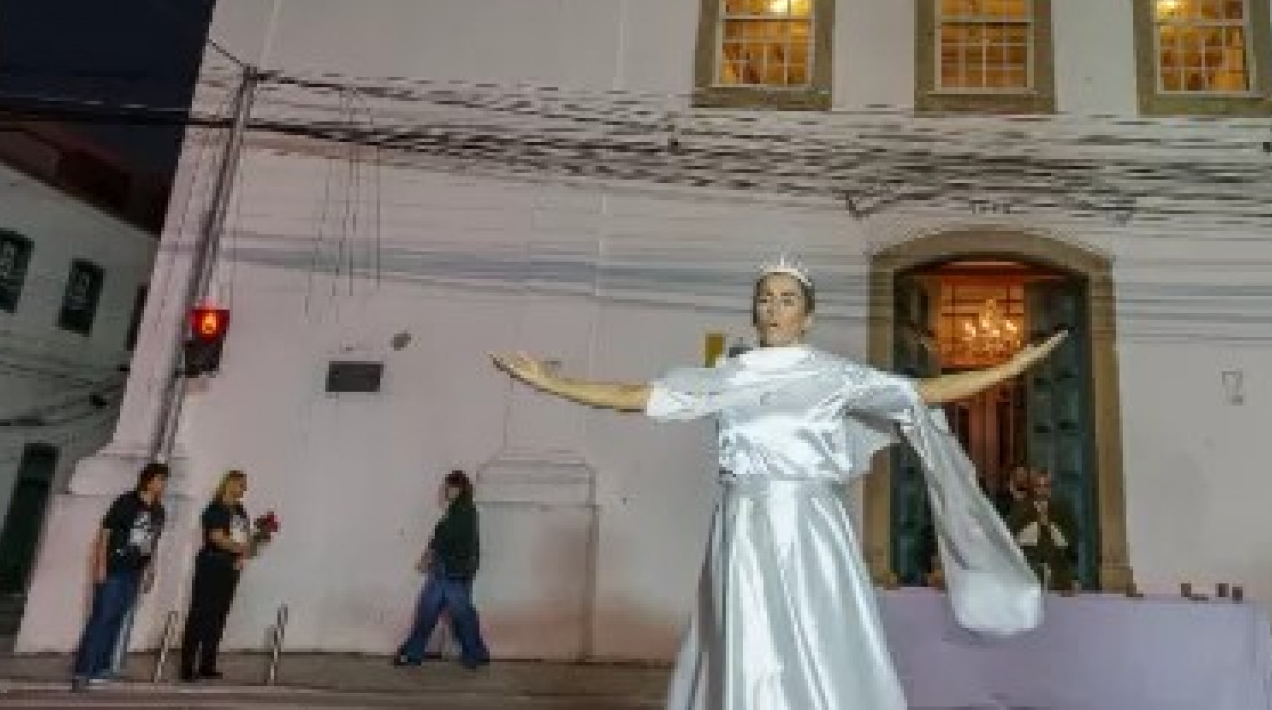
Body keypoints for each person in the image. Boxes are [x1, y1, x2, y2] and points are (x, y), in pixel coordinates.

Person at [492, 257, 1054, 710]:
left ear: (807, 316)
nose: (774, 308)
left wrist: (1005, 370)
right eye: (766, 298)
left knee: (818, 636)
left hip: (811, 525)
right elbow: (638, 397)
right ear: (755, 313)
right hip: (743, 527)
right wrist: (552, 382)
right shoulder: (726, 378)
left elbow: (919, 394)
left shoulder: (834, 376)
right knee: (749, 642)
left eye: (787, 299)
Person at [71, 462, 168, 692]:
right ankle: (83, 671)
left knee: (117, 618)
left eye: (165, 480)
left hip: (135, 570)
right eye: (160, 479)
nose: (163, 485)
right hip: (115, 567)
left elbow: (152, 542)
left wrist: (151, 569)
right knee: (102, 618)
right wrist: (101, 565)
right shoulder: (126, 502)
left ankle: (102, 667)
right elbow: (106, 532)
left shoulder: (159, 510)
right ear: (148, 480)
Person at [393, 470, 489, 670]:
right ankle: (413, 653)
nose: (445, 491)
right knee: (430, 611)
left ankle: (475, 653)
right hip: (446, 571)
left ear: (459, 488)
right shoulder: (459, 511)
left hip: (452, 572)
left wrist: (425, 559)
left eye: (449, 487)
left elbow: (443, 540)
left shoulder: (463, 513)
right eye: (446, 487)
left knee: (459, 615)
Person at [180, 470, 256, 682]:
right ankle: (187, 667)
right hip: (212, 563)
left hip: (230, 566)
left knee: (219, 615)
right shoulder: (215, 509)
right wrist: (240, 549)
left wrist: (248, 548)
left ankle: (207, 664)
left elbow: (246, 535)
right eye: (242, 484)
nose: (245, 489)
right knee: (200, 614)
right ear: (229, 484)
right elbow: (217, 538)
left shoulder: (240, 510)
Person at [1008, 468, 1080, 591]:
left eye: (1046, 486)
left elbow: (1073, 534)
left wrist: (1054, 529)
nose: (1042, 490)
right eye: (1038, 486)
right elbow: (1010, 533)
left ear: (1050, 488)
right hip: (1030, 568)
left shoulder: (1061, 509)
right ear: (1033, 488)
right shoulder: (1021, 508)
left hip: (1058, 572)